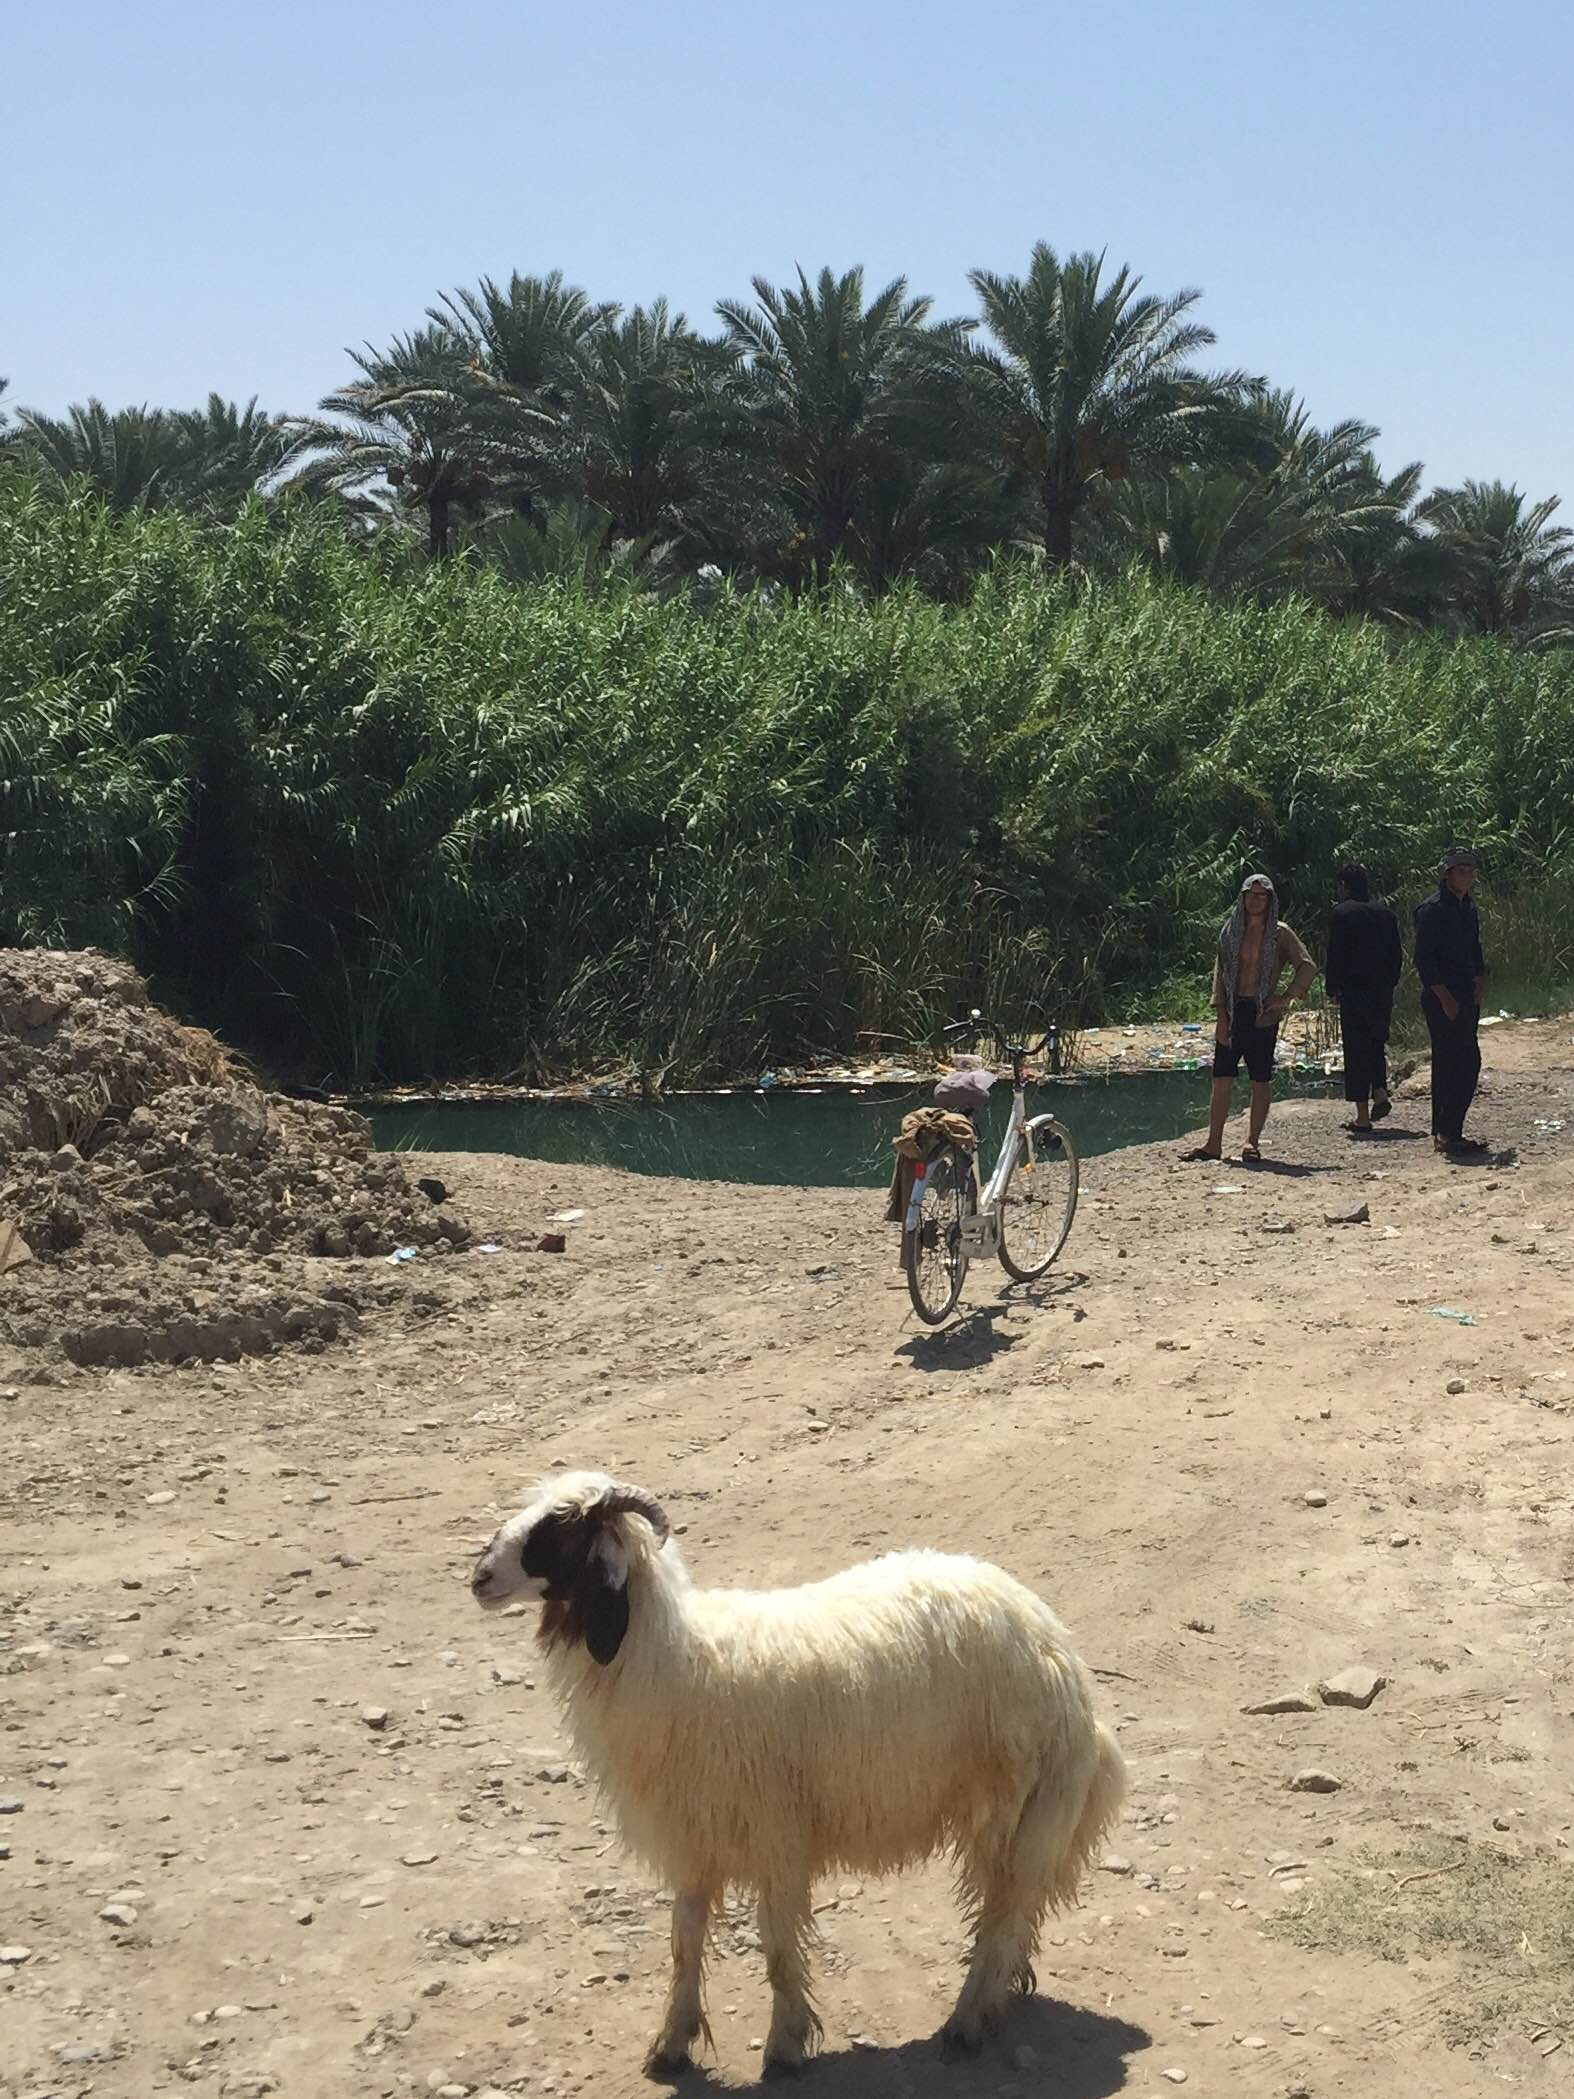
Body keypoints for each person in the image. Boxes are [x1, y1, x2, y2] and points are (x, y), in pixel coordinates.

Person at [1186, 873, 1317, 1163]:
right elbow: (1220, 976)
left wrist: (1285, 997)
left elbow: (1306, 966)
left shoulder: (1279, 933)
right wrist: (1221, 1016)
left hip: (1262, 1014)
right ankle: (1213, 1144)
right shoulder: (1231, 931)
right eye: (1251, 894)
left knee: (1260, 1079)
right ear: (1243, 897)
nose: (1256, 900)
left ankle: (1252, 1142)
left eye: (1262, 895)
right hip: (1233, 1010)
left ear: (1270, 900)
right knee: (1221, 1078)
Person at [1414, 846, 1489, 1156]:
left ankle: (1446, 1131)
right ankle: (1447, 1131)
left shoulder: (1468, 908)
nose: (1467, 876)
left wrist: (1481, 976)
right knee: (1461, 1061)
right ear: (1447, 875)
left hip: (1466, 993)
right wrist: (1443, 996)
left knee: (1457, 1061)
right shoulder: (1432, 910)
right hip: (1442, 996)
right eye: (1461, 870)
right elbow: (1424, 959)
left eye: (1470, 871)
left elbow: (1474, 947)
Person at [1324, 863, 1403, 1133]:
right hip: (1382, 990)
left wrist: (1332, 987)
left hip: (1354, 991)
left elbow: (1335, 954)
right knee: (1376, 1041)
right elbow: (1397, 954)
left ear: (1344, 886)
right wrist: (1391, 982)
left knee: (1356, 1048)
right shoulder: (1385, 914)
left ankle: (1362, 1116)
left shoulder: (1342, 914)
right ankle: (1379, 1091)